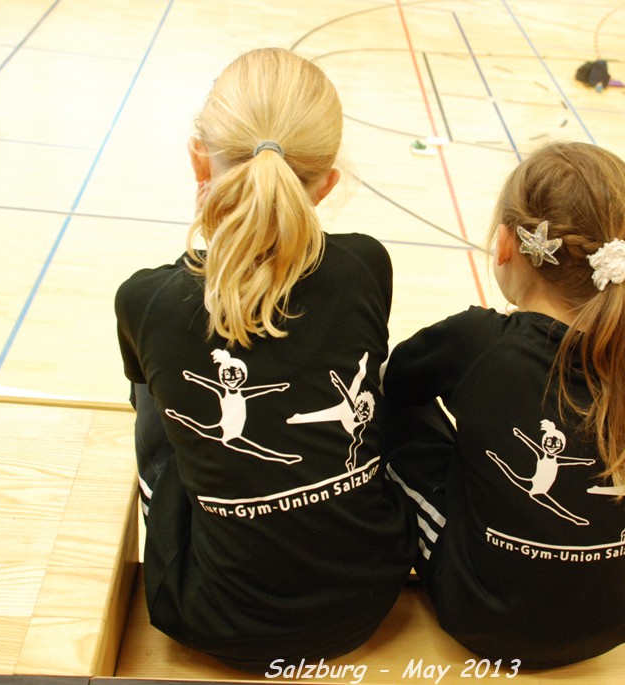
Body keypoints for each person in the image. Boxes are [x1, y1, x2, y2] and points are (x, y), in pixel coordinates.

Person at [114, 48, 413, 671]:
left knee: (152, 389)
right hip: (369, 597)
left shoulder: (148, 300)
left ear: (198, 160)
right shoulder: (366, 264)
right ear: (326, 184)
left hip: (207, 615)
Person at [381, 141, 625, 669]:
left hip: (484, 619)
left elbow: (395, 381)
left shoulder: (477, 342)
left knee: (394, 411)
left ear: (506, 244)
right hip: (623, 612)